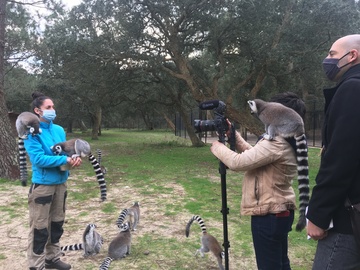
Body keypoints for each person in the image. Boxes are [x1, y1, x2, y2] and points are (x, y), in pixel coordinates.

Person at [210, 92, 306, 270]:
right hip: (279, 211)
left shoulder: (277, 142)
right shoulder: (287, 139)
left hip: (268, 213)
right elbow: (255, 154)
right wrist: (235, 136)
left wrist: (217, 147)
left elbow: (238, 162)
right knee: (281, 264)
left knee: (270, 265)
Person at [306, 34, 360, 269]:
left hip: (347, 219)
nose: (327, 60)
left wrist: (318, 215)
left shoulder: (352, 90)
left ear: (353, 55)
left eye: (332, 54)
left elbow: (340, 160)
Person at [24, 92, 82, 270]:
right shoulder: (31, 132)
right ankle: (36, 265)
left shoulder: (58, 130)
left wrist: (73, 158)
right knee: (40, 228)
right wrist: (63, 160)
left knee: (57, 223)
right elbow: (38, 159)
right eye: (48, 107)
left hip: (61, 183)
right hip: (43, 186)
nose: (52, 110)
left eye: (53, 107)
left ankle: (52, 258)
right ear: (37, 111)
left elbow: (64, 152)